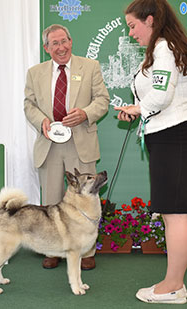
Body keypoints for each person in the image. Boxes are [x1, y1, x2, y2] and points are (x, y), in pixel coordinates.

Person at [115, 0, 187, 304]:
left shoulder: (164, 47)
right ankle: (174, 282)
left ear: (150, 19)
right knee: (177, 213)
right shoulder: (166, 46)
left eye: (133, 25)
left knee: (175, 215)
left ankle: (173, 286)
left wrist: (138, 108)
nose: (131, 33)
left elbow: (161, 94)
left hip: (173, 136)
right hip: (170, 134)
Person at [24, 24, 109, 270]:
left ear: (71, 42)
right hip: (49, 142)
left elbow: (102, 100)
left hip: (81, 140)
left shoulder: (90, 67)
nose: (61, 47)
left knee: (87, 200)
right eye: (54, 43)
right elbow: (28, 105)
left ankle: (87, 251)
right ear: (46, 48)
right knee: (50, 201)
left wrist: (85, 113)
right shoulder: (34, 72)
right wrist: (42, 122)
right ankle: (53, 249)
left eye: (64, 41)